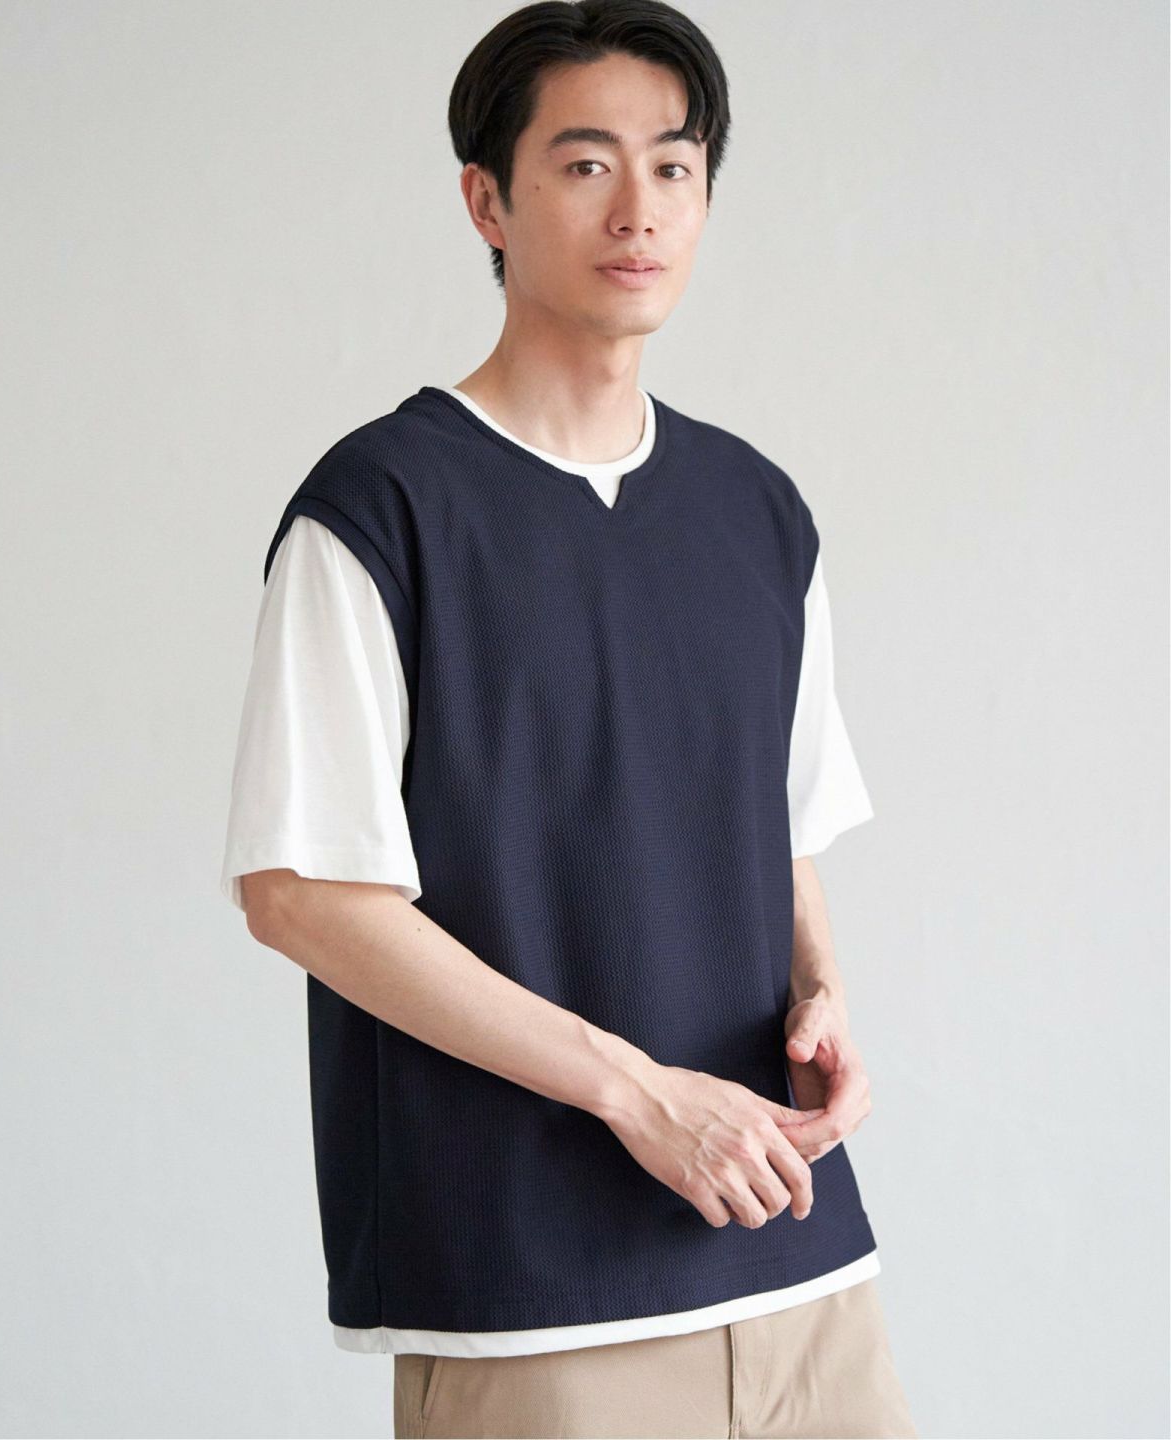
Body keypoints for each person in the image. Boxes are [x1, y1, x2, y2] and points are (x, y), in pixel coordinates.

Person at [220, 2, 917, 1435]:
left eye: (674, 166)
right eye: (587, 163)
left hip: (800, 1266)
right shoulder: (381, 514)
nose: (638, 208)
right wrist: (637, 1095)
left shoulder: (757, 511)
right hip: (532, 1299)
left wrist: (822, 992)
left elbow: (778, 829)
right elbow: (301, 893)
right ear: (487, 200)